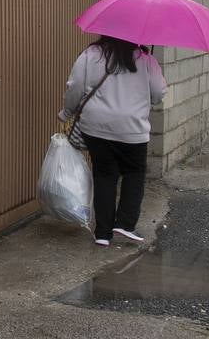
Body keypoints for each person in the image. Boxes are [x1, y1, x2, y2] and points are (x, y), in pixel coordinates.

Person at [61, 35, 168, 246]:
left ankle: (102, 233)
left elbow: (75, 87)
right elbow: (157, 94)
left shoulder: (91, 54)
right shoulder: (146, 59)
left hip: (96, 127)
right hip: (132, 130)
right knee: (134, 173)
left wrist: (67, 112)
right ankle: (125, 224)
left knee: (104, 174)